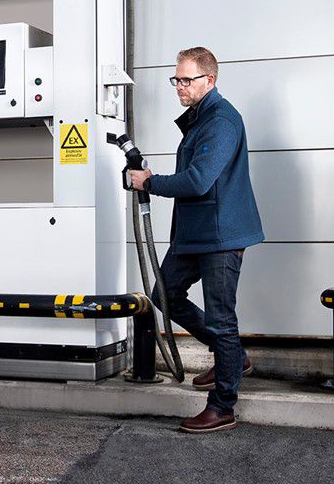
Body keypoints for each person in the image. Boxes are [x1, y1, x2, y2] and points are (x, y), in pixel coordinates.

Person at [128, 47, 264, 433]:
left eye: (187, 80)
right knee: (164, 293)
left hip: (220, 234)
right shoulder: (201, 119)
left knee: (222, 319)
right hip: (196, 233)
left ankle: (222, 406)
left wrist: (150, 182)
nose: (179, 87)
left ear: (210, 80)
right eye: (177, 80)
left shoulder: (221, 120)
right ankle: (233, 359)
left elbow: (199, 179)